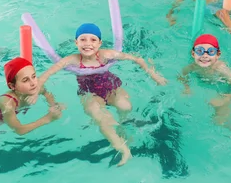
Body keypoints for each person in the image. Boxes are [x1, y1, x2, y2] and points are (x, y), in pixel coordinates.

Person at [36, 23, 167, 166]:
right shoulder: (72, 60)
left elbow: (137, 59)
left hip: (111, 87)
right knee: (103, 118)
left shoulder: (106, 55)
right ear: (76, 42)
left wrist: (154, 74)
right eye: (83, 39)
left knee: (125, 106)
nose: (88, 44)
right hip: (89, 92)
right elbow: (48, 73)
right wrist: (36, 89)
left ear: (100, 43)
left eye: (93, 40)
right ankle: (123, 150)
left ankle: (122, 126)